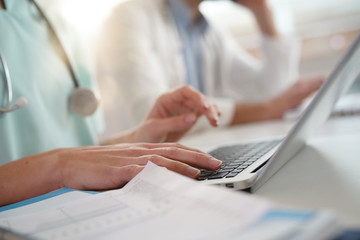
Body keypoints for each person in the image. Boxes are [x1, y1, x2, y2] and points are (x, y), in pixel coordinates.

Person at [0, 0, 222, 207]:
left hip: (86, 208)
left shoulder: (54, 20)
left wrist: (134, 143)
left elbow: (79, 150)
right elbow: (64, 163)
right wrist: (57, 167)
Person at [97, 0, 323, 139]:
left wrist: (261, 9)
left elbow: (274, 93)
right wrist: (267, 109)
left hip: (199, 149)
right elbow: (154, 115)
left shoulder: (208, 31)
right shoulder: (129, 17)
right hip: (141, 168)